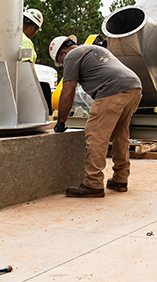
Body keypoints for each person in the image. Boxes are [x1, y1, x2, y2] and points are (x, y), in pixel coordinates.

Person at [49, 35, 142, 198]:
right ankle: (120, 179)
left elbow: (68, 91)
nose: (64, 65)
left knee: (95, 136)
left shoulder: (71, 56)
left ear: (63, 52)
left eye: (61, 62)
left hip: (112, 90)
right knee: (121, 135)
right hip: (134, 86)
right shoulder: (94, 49)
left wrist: (61, 122)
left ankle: (93, 183)